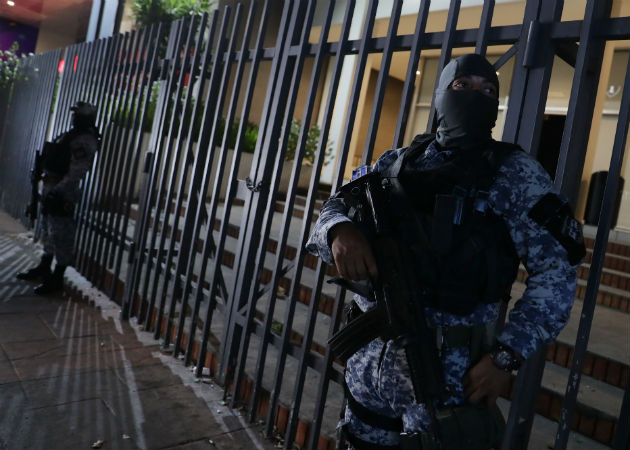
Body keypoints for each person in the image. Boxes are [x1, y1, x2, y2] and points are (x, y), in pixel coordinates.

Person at [306, 54, 585, 449]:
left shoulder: (516, 174)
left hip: (448, 376)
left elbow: (556, 275)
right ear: (440, 96)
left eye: (488, 90)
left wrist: (507, 357)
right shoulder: (396, 162)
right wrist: (339, 231)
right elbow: (333, 206)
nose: (476, 96)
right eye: (462, 86)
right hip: (369, 365)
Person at [17, 101, 99, 295]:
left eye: (78, 114)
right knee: (47, 228)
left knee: (61, 233)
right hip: (51, 186)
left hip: (62, 191)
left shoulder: (85, 140)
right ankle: (45, 266)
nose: (74, 117)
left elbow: (77, 171)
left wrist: (59, 190)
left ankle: (57, 278)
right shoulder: (71, 135)